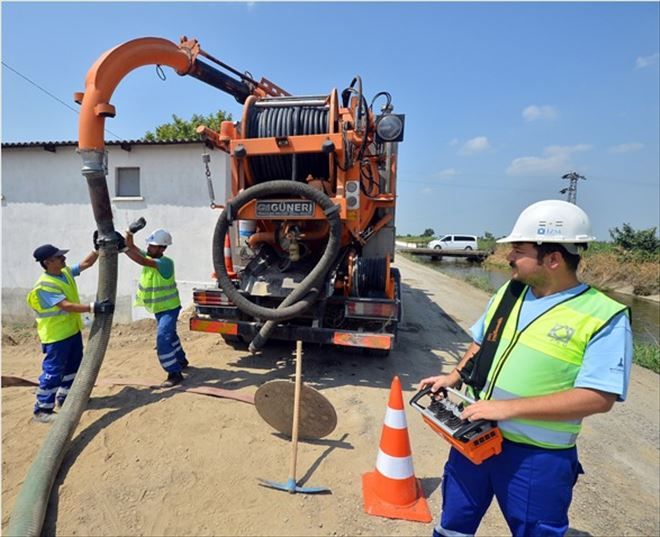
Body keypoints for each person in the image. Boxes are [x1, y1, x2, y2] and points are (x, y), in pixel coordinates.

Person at [419, 199, 632, 537]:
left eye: (518, 249)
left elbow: (598, 397)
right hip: (474, 439)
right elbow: (481, 343)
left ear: (553, 258)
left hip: (536, 459)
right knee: (453, 527)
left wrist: (507, 408)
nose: (508, 257)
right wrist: (453, 376)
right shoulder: (510, 291)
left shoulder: (603, 316)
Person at [26, 240, 115, 423]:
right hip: (55, 336)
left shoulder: (64, 273)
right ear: (47, 262)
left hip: (71, 331)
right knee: (53, 371)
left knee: (73, 367)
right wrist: (93, 307)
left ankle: (65, 398)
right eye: (59, 257)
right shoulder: (45, 285)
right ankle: (42, 409)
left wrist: (97, 249)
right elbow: (65, 306)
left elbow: (86, 264)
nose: (64, 258)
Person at [124, 227, 188, 387]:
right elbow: (132, 248)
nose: (148, 248)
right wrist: (129, 233)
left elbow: (141, 260)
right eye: (149, 245)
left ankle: (174, 373)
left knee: (163, 339)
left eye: (152, 246)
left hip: (169, 308)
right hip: (160, 308)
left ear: (162, 248)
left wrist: (122, 248)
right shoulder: (151, 255)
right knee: (170, 335)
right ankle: (181, 360)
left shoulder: (164, 263)